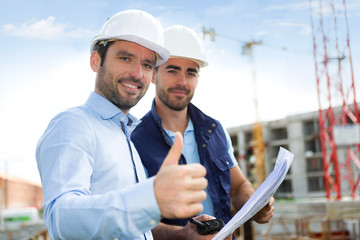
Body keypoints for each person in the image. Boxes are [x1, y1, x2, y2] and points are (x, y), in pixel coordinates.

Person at [36, 11, 212, 240]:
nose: (138, 74)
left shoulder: (126, 135)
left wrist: (184, 234)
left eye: (147, 65)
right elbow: (60, 219)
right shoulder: (73, 125)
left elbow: (131, 229)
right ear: (96, 60)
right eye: (125, 58)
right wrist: (151, 197)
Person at [131, 25, 275, 238]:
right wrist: (184, 235)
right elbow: (135, 221)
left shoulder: (214, 130)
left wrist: (255, 204)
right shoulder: (135, 140)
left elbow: (237, 188)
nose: (182, 81)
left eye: (191, 73)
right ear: (153, 74)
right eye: (173, 70)